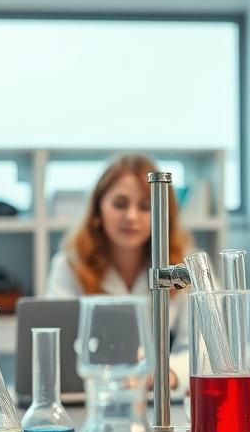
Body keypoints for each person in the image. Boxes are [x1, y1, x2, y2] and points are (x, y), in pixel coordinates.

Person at [44, 153, 191, 391]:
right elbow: (56, 349)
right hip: (92, 400)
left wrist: (168, 373)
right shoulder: (69, 265)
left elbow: (204, 349)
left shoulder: (183, 269)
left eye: (145, 206)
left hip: (160, 400)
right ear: (97, 210)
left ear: (164, 215)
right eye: (120, 204)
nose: (131, 216)